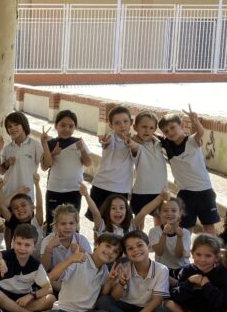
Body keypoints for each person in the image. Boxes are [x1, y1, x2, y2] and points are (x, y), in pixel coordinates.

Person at [37, 233, 123, 312]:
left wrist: (109, 282)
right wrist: (70, 260)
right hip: (65, 310)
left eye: (115, 251)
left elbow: (102, 295)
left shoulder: (105, 270)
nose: (111, 252)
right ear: (96, 245)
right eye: (107, 246)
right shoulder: (79, 259)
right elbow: (51, 277)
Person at [95, 230, 172, 312]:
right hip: (124, 307)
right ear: (126, 253)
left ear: (149, 246)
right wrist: (121, 283)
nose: (135, 250)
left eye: (140, 245)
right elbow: (115, 297)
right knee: (103, 301)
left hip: (145, 309)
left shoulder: (161, 269)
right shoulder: (124, 267)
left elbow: (157, 300)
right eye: (130, 248)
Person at [160, 106, 219, 235]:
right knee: (186, 228)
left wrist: (195, 120)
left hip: (204, 191)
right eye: (166, 131)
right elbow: (148, 135)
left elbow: (200, 133)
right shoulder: (166, 144)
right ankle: (184, 254)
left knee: (209, 227)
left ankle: (212, 252)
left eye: (172, 127)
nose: (170, 132)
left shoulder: (192, 141)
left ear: (181, 125)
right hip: (185, 193)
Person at [165, 234, 227, 312]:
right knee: (169, 304)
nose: (202, 260)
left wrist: (207, 285)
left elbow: (225, 305)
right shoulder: (187, 271)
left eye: (208, 256)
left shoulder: (224, 274)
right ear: (192, 254)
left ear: (216, 257)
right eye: (198, 254)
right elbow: (177, 298)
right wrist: (189, 283)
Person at [0, 224, 56, 312]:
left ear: (34, 247)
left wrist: (30, 296)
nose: (22, 248)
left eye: (27, 245)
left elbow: (48, 289)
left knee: (51, 299)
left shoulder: (36, 265)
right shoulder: (8, 255)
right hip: (5, 294)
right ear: (13, 242)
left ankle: (12, 311)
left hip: (23, 298)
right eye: (18, 243)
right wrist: (1, 261)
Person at [41, 110, 91, 229]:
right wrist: (52, 152)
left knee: (72, 222)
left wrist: (82, 150)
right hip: (55, 189)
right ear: (56, 126)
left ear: (75, 127)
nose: (66, 129)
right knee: (51, 222)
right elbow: (44, 166)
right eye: (62, 125)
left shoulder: (79, 142)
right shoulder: (51, 143)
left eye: (71, 126)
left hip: (74, 189)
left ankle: (73, 246)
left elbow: (88, 163)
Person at [88, 106, 134, 219]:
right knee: (98, 223)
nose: (122, 125)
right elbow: (106, 144)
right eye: (117, 123)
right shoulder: (110, 137)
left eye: (125, 121)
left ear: (131, 122)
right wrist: (105, 143)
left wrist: (131, 144)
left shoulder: (135, 141)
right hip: (102, 186)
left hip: (121, 189)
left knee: (117, 224)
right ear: (111, 126)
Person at [39, 198, 93, 289]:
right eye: (63, 224)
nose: (68, 227)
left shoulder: (81, 240)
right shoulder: (48, 241)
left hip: (75, 280)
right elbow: (43, 268)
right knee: (44, 279)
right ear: (56, 225)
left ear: (76, 224)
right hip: (55, 279)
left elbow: (90, 265)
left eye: (71, 223)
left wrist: (81, 251)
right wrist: (49, 248)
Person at [0, 111, 43, 205]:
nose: (13, 128)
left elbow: (45, 165)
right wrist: (7, 163)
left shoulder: (35, 145)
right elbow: (2, 171)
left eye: (16, 125)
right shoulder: (7, 148)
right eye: (10, 126)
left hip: (27, 194)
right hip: (9, 195)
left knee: (26, 218)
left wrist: (46, 145)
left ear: (24, 125)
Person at [87, 191, 164, 239]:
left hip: (126, 264)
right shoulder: (102, 225)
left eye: (121, 208)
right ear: (107, 211)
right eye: (113, 208)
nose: (118, 210)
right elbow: (95, 213)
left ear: (126, 211)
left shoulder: (131, 225)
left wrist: (160, 197)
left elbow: (143, 212)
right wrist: (86, 195)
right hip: (106, 264)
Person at [148, 196, 191, 273]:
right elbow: (159, 252)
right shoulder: (154, 231)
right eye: (165, 210)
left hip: (182, 268)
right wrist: (164, 234)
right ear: (159, 213)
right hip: (162, 269)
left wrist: (179, 237)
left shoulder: (185, 233)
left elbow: (178, 255)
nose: (169, 213)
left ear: (180, 213)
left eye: (174, 210)